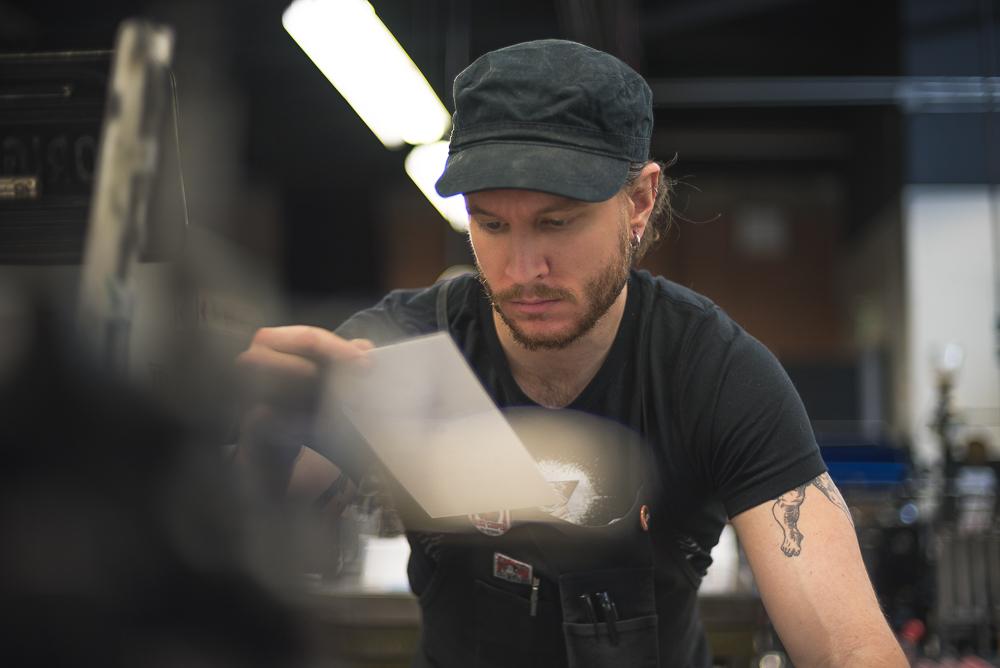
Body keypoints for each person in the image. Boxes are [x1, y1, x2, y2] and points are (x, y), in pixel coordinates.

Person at [235, 40, 906, 668]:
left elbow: (847, 648)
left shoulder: (713, 375)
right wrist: (264, 437)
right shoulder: (401, 354)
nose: (523, 267)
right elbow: (233, 557)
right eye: (491, 224)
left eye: (557, 222)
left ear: (639, 202)